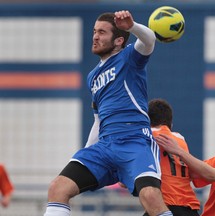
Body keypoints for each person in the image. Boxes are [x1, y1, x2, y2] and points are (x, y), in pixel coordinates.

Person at [43, 10, 172, 216]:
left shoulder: (129, 58)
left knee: (150, 197)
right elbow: (98, 121)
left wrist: (131, 26)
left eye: (102, 32)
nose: (95, 36)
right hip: (104, 146)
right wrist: (85, 156)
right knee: (57, 188)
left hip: (134, 141)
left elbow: (149, 40)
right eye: (95, 31)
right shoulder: (93, 77)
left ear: (119, 40)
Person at [146, 98, 200, 216]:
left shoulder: (146, 137)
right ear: (171, 123)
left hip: (164, 206)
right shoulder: (180, 139)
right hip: (189, 208)